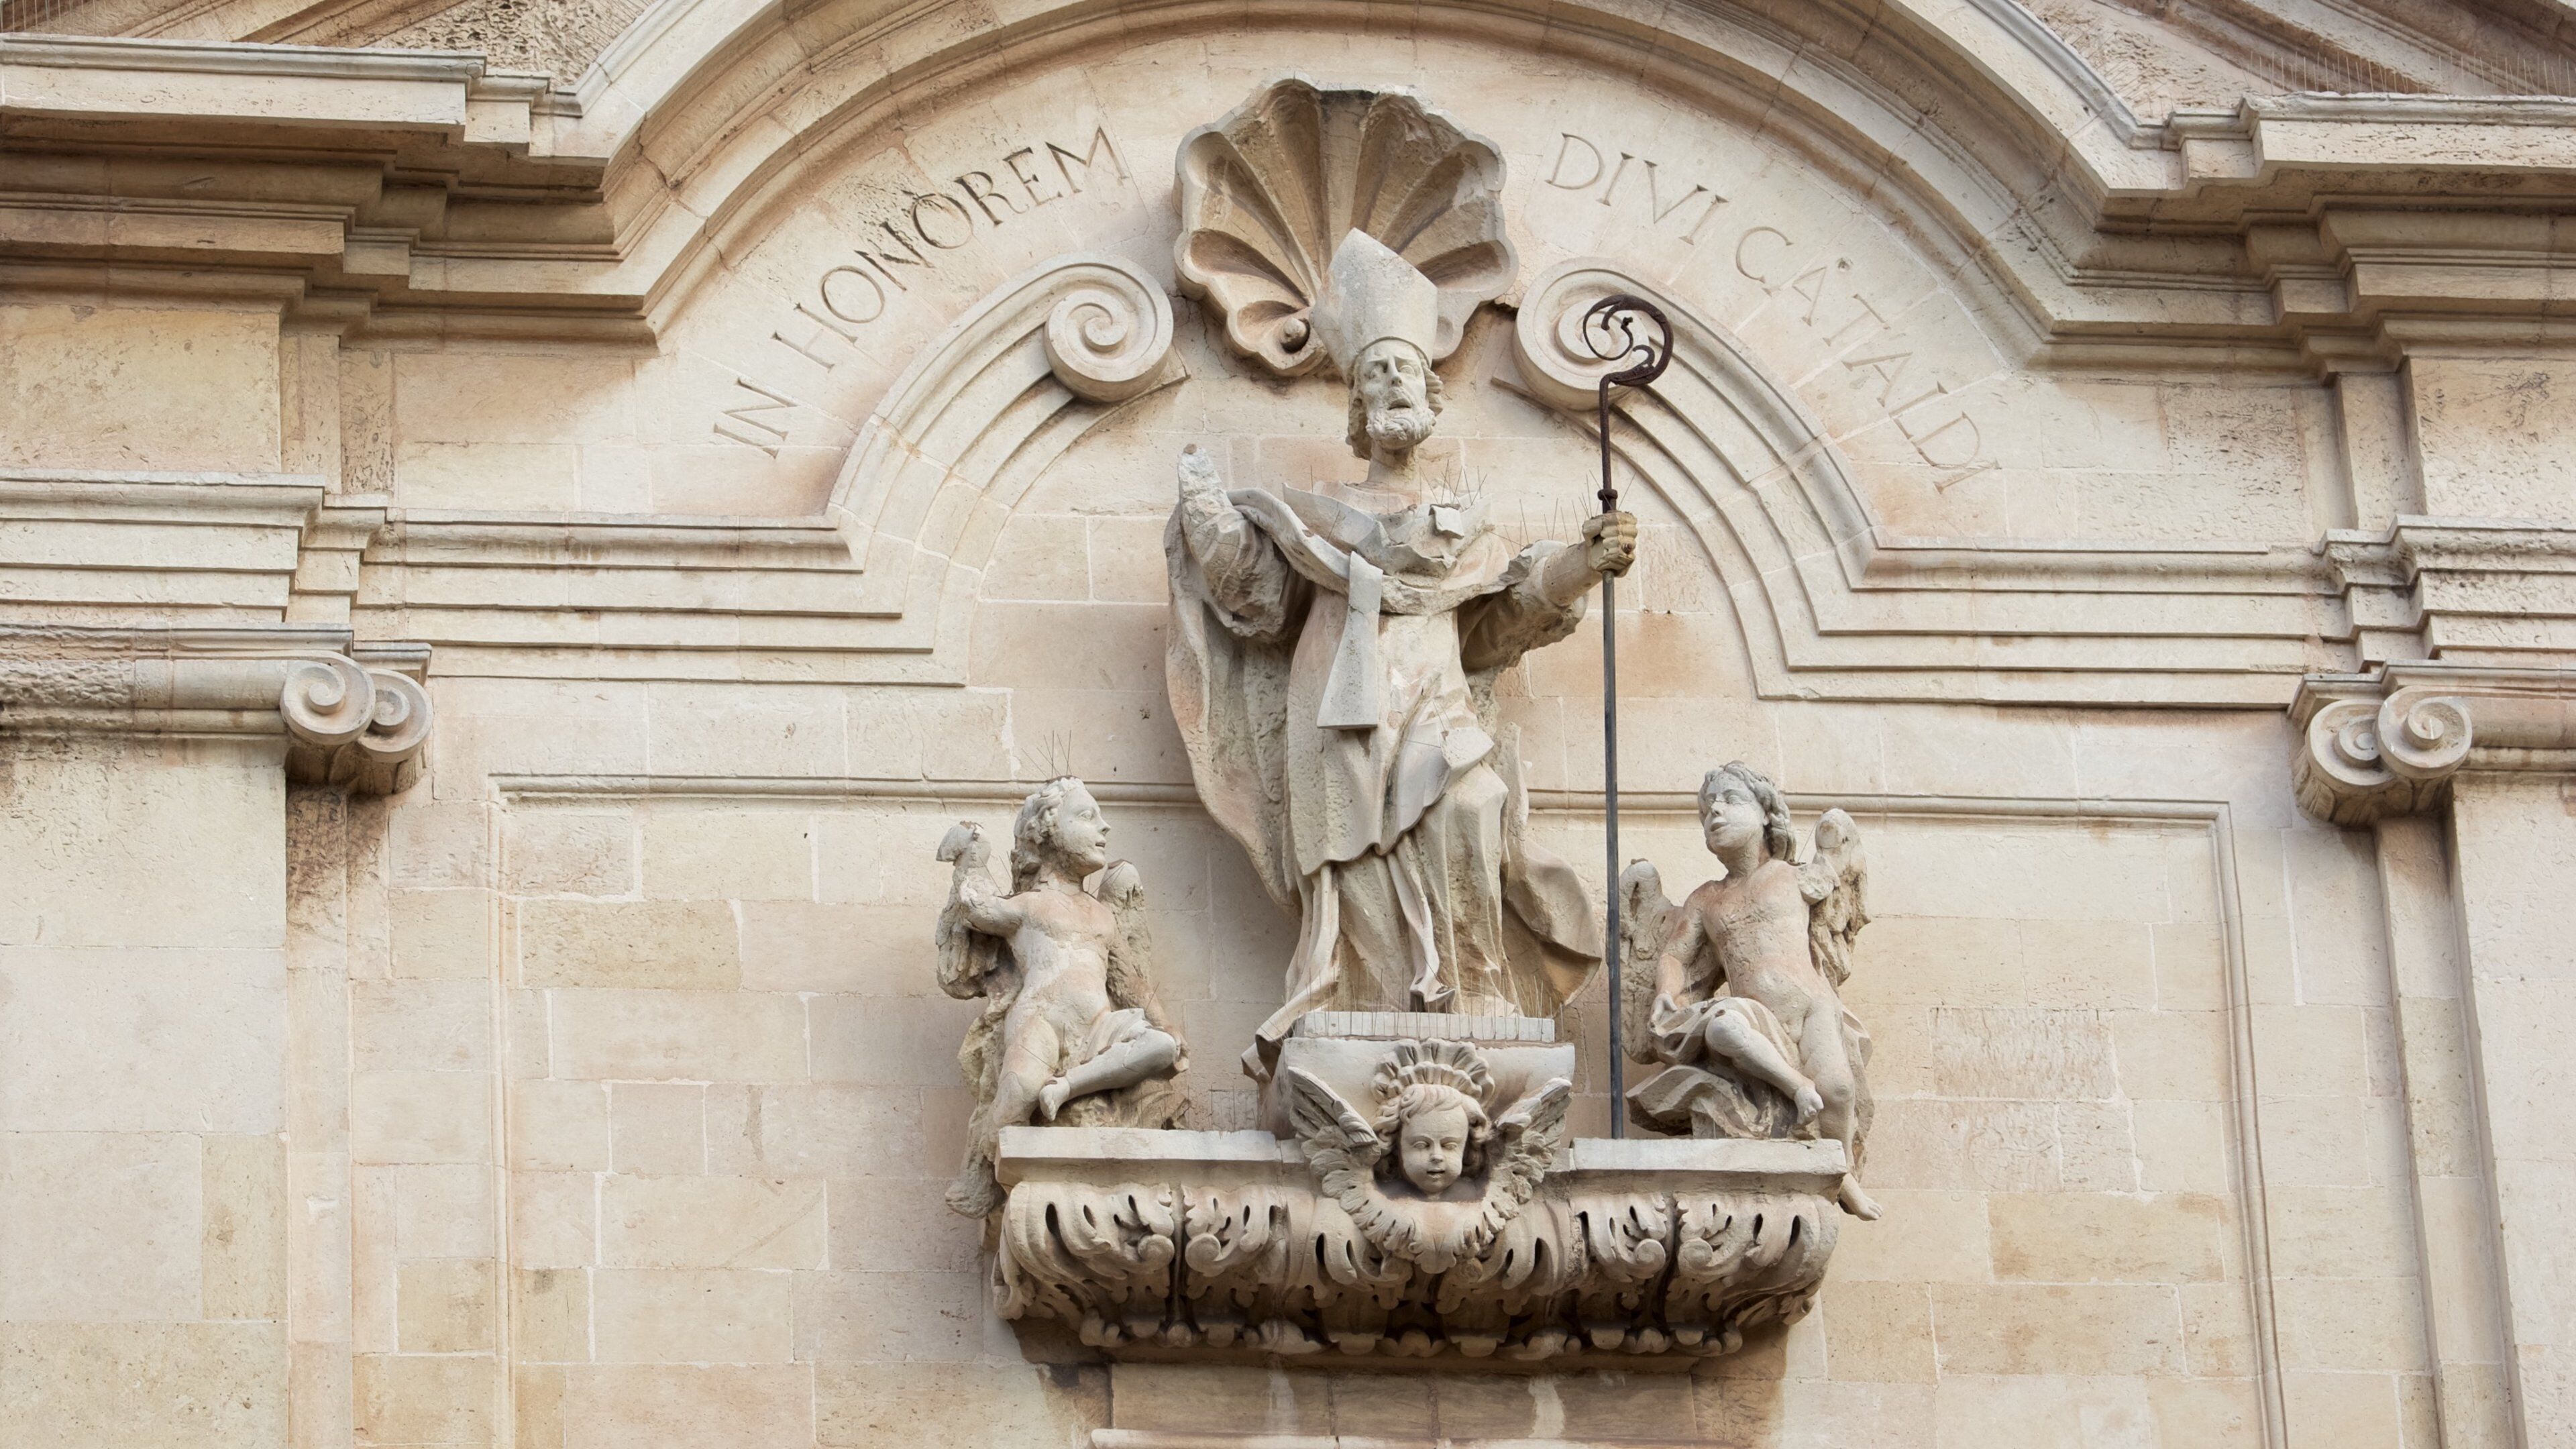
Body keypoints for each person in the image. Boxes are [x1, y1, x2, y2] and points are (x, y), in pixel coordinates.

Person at [1166, 229, 1638, 1071]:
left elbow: (1499, 622)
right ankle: (1365, 1000)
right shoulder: (1316, 516)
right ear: (1356, 405)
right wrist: (1210, 520)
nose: (1390, 384)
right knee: (1355, 858)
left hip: (1437, 694)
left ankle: (1470, 989)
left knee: (1471, 805)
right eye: (1373, 372)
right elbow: (1263, 601)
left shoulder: (1467, 527)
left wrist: (1580, 565)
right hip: (1337, 711)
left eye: (1403, 371)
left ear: (1429, 393)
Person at [936, 777, 1185, 1216]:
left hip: (1100, 1026)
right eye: (1087, 817)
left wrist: (1166, 1026)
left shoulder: (1104, 914)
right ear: (1047, 831)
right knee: (1021, 1087)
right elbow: (980, 908)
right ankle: (981, 1164)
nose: (1104, 828)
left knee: (1160, 1046)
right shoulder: (1031, 904)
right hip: (1042, 1019)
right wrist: (973, 858)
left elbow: (1130, 982)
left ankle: (1068, 1086)